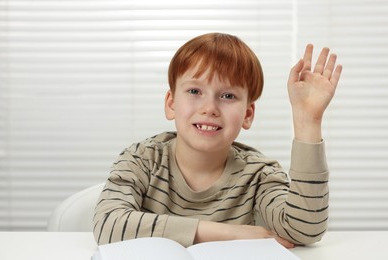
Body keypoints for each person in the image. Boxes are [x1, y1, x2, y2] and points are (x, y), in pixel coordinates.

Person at [93, 32, 342, 249]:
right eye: (194, 91)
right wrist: (231, 233)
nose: (209, 108)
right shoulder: (142, 159)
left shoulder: (260, 174)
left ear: (247, 114)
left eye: (227, 95)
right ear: (171, 104)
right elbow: (108, 223)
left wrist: (308, 121)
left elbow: (303, 231)